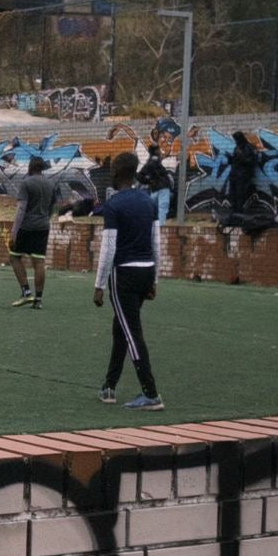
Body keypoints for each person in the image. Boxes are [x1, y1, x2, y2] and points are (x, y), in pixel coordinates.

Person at [94, 150, 163, 410]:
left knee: (132, 333)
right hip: (146, 271)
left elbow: (109, 248)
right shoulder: (149, 201)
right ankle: (109, 387)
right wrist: (154, 278)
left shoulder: (114, 205)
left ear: (117, 173)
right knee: (121, 328)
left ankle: (151, 393)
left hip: (124, 274)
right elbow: (156, 242)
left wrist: (99, 285)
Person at [8, 155, 60, 309]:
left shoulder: (26, 183)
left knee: (14, 257)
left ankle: (26, 292)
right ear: (42, 168)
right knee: (39, 262)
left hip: (26, 227)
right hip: (43, 226)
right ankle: (38, 300)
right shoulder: (51, 184)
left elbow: (21, 209)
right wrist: (45, 219)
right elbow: (52, 208)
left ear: (30, 167)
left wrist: (14, 231)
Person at [227, 130, 262, 214]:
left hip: (242, 175)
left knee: (240, 193)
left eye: (237, 139)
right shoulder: (237, 148)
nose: (236, 142)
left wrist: (241, 157)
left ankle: (239, 211)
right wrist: (230, 159)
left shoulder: (248, 147)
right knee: (232, 193)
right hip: (234, 174)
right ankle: (234, 210)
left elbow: (252, 162)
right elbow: (234, 161)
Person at [138, 144, 172, 224]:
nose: (160, 151)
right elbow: (140, 176)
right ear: (156, 151)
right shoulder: (155, 161)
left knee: (154, 208)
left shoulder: (149, 162)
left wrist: (149, 181)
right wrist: (150, 181)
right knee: (163, 208)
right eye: (159, 150)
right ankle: (161, 227)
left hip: (154, 189)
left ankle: (152, 225)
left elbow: (139, 176)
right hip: (162, 188)